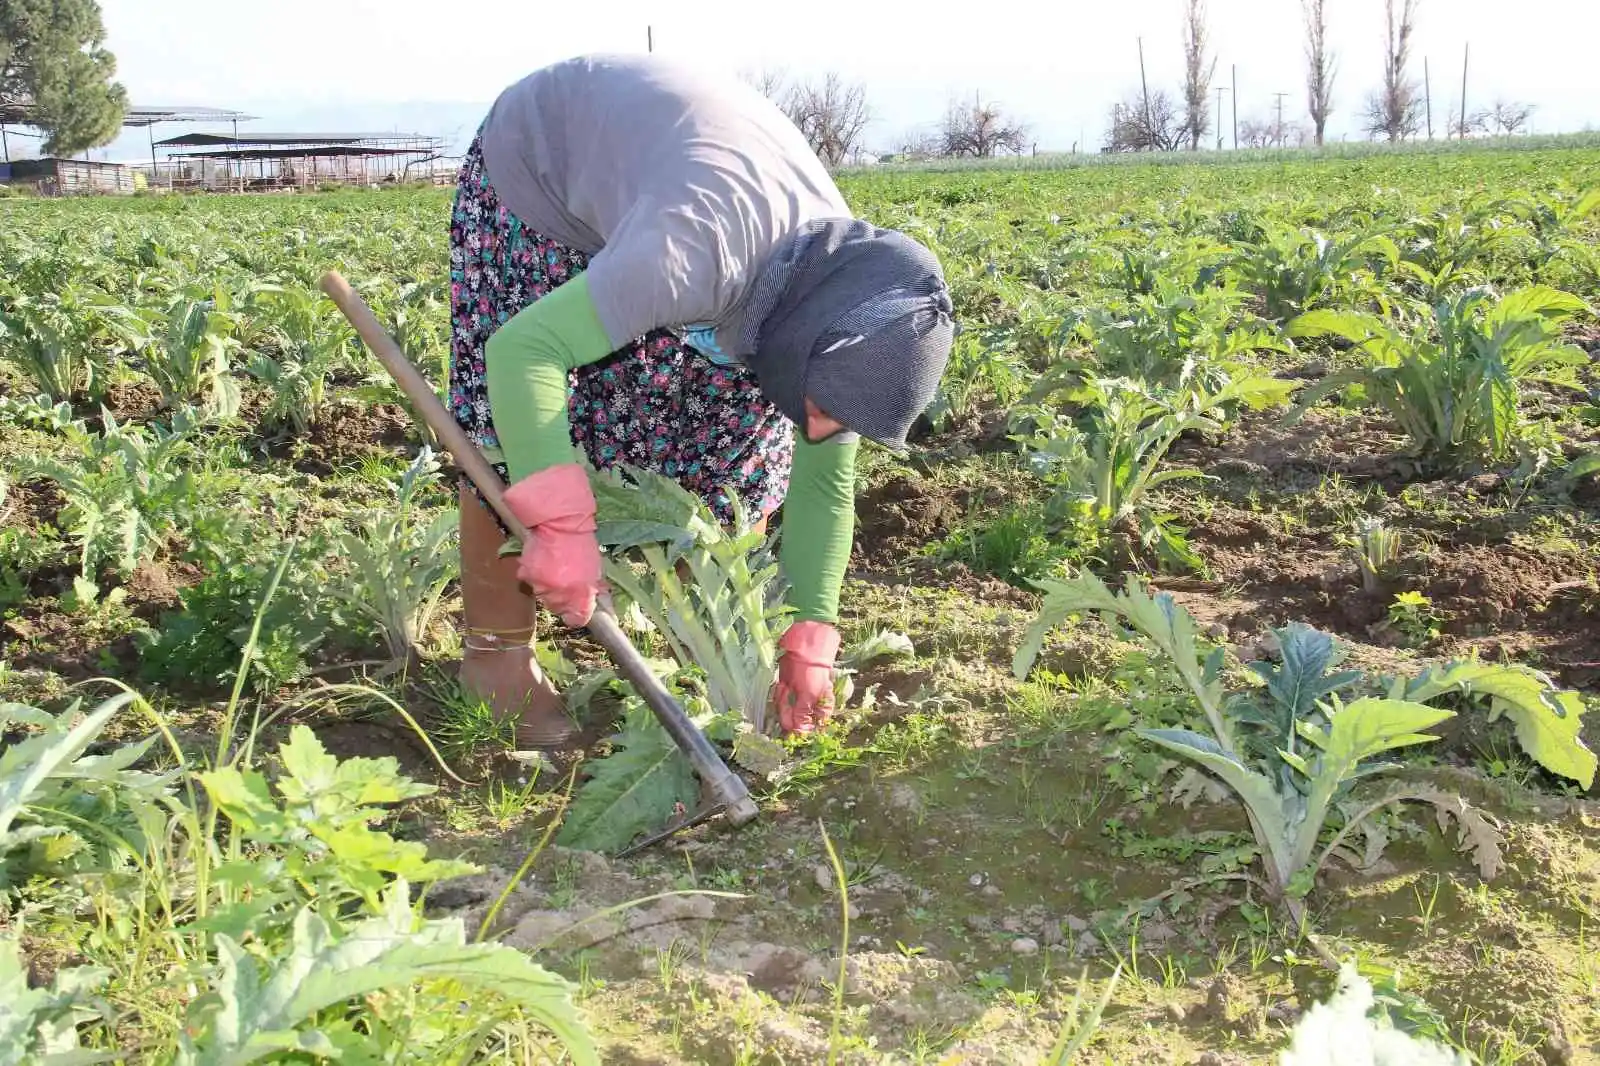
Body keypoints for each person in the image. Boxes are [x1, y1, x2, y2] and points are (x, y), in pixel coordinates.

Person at [447, 52, 955, 748]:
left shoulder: (844, 302)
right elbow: (521, 354)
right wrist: (558, 523)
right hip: (545, 175)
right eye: (821, 406)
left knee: (730, 440)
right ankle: (496, 658)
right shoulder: (692, 252)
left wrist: (812, 628)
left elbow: (826, 492)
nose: (821, 426)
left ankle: (689, 630)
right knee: (514, 429)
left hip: (679, 204)